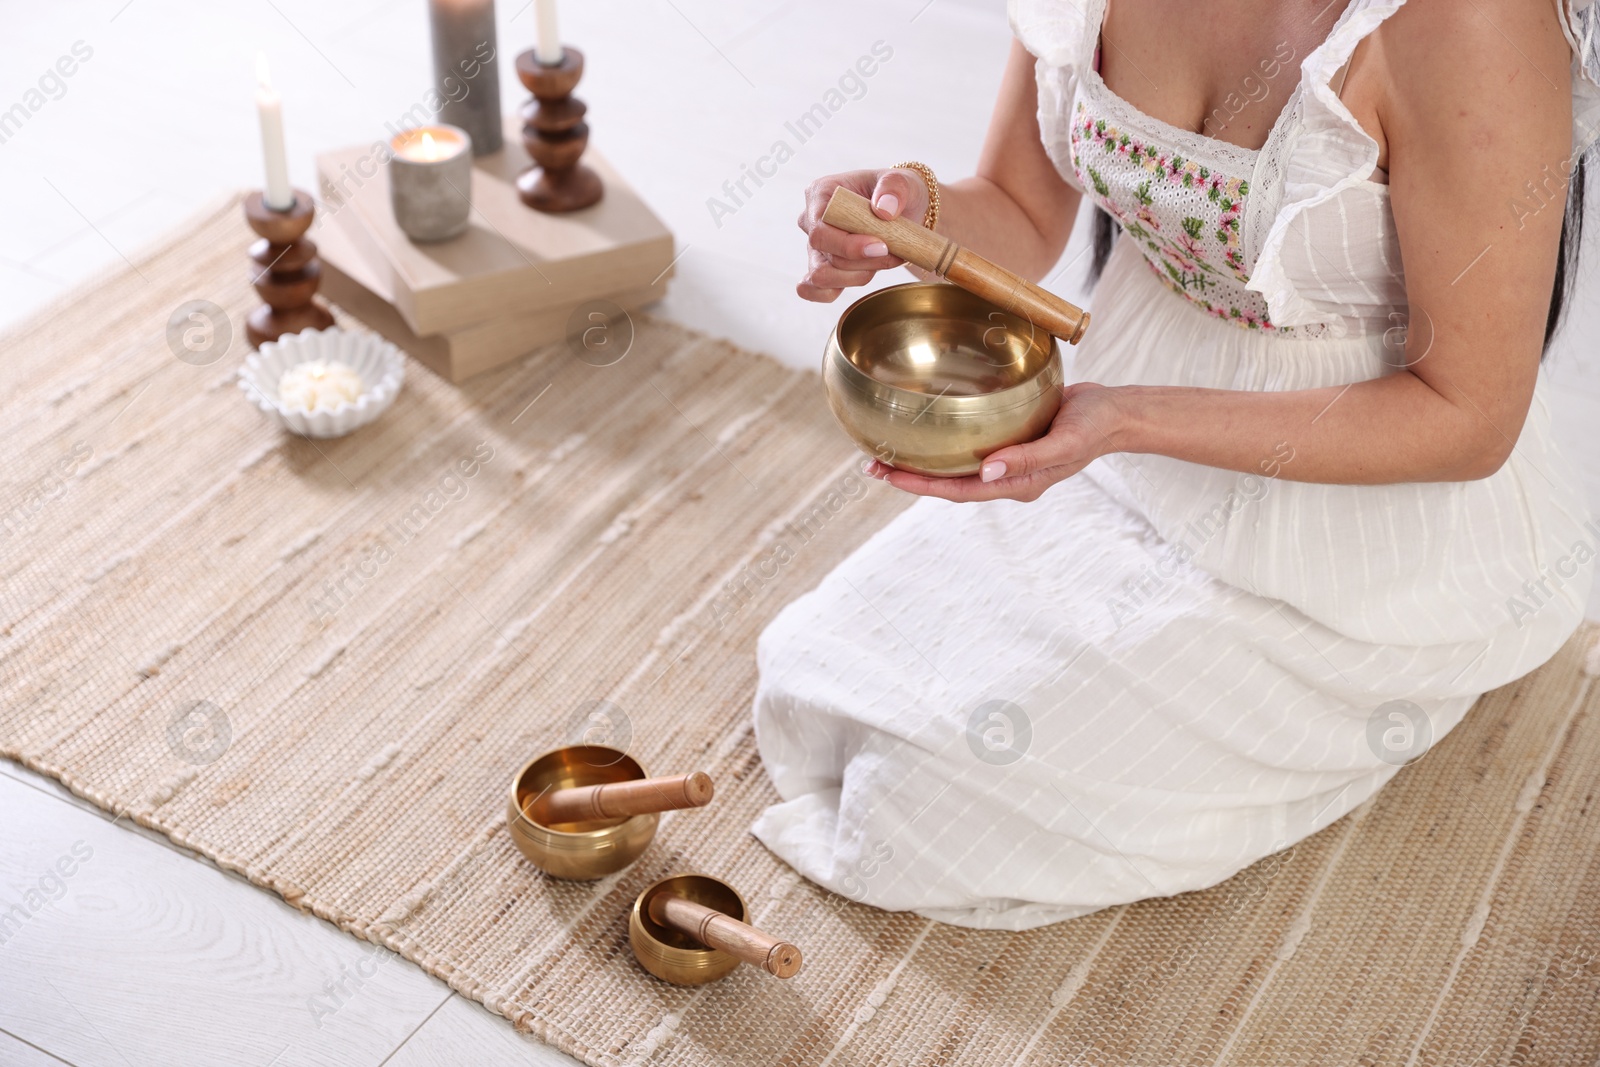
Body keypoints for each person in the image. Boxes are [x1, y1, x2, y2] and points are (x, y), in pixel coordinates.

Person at [747, 0, 1600, 930]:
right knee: (810, 679)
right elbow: (1026, 212)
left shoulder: (1467, 24)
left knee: (918, 803)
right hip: (1122, 442)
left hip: (1355, 528)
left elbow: (1468, 419)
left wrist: (1125, 421)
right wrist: (912, 218)